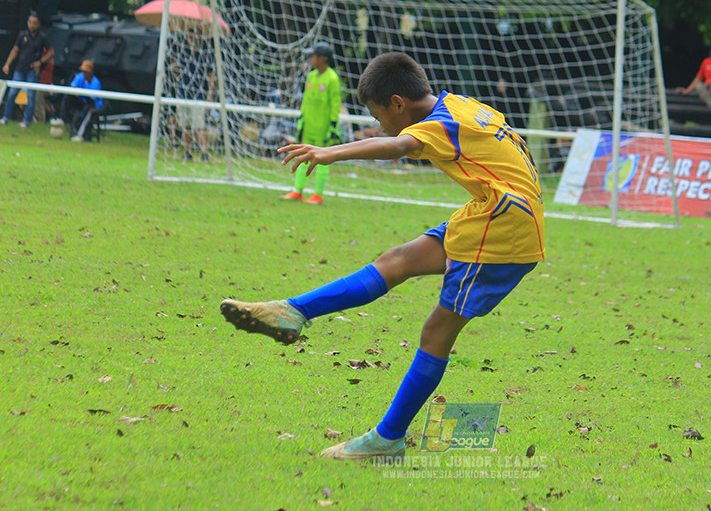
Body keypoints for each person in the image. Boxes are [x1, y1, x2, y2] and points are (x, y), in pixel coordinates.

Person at [221, 52, 545, 462]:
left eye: (377, 116)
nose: (379, 124)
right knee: (398, 260)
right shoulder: (460, 104)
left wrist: (331, 152)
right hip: (495, 210)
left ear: (398, 103)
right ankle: (293, 311)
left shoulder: (438, 124)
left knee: (436, 333)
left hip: (503, 225)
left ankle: (388, 438)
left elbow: (398, 143)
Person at [280, 41, 342, 204]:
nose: (310, 59)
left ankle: (318, 194)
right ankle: (297, 191)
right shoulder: (311, 76)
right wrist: (301, 122)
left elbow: (336, 104)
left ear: (322, 58)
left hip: (323, 127)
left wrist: (333, 126)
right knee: (302, 157)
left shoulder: (332, 78)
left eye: (313, 56)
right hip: (308, 127)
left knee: (323, 159)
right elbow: (305, 102)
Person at [0, 12, 54, 128]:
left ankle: (27, 121)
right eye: (30, 23)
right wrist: (7, 64)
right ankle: (6, 117)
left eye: (34, 23)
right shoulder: (22, 35)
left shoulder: (42, 38)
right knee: (12, 93)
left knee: (31, 95)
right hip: (20, 68)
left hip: (32, 70)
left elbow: (51, 52)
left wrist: (41, 62)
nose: (32, 25)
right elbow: (15, 50)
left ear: (38, 24)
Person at [173, 32, 215, 162]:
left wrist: (209, 94)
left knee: (199, 126)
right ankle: (188, 152)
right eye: (190, 37)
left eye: (195, 37)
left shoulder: (205, 56)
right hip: (184, 94)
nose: (192, 40)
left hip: (198, 95)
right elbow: (176, 70)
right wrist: (176, 71)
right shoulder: (183, 54)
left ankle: (204, 153)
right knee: (186, 126)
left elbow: (211, 76)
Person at [676, 41, 711, 110]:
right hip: (708, 89)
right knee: (699, 86)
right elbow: (698, 77)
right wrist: (688, 90)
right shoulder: (706, 62)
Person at [59, 60, 104, 142]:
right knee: (68, 97)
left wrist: (79, 92)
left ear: (91, 72)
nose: (84, 74)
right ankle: (61, 120)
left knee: (88, 109)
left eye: (86, 72)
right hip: (82, 102)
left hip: (93, 106)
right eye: (83, 71)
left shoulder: (96, 83)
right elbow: (72, 88)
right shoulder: (80, 76)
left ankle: (80, 135)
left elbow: (91, 99)